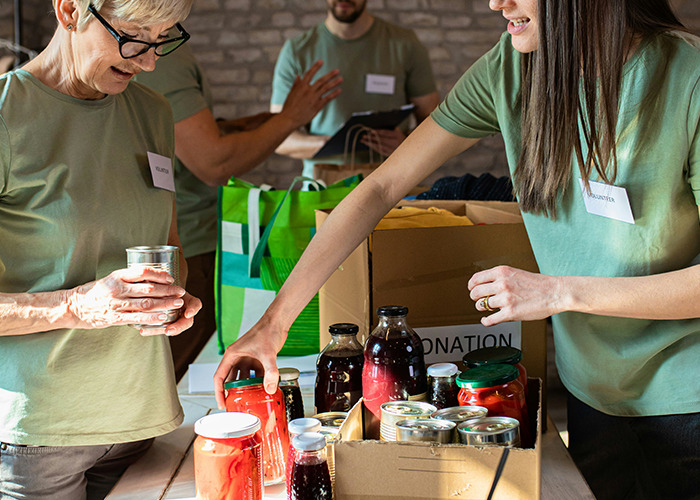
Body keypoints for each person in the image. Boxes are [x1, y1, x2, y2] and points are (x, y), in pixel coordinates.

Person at [214, 0, 700, 498]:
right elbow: (381, 189)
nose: (496, 2)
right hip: (590, 389)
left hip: (687, 395)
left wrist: (558, 293)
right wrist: (271, 327)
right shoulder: (511, 68)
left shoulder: (689, 77)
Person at [0, 0, 203, 497]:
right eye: (135, 35)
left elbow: (168, 245)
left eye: (163, 38)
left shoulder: (153, 112)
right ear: (70, 10)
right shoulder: (7, 118)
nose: (150, 60)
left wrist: (175, 297)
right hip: (41, 441)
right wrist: (79, 305)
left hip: (142, 420)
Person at [133, 44, 341, 381]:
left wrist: (250, 124)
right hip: (191, 245)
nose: (148, 58)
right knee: (177, 381)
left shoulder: (166, 46)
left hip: (192, 238)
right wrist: (290, 119)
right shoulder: (162, 53)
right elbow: (214, 163)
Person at [270, 0, 441, 179]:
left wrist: (407, 144)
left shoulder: (406, 44)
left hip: (394, 185)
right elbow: (279, 139)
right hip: (322, 187)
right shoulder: (297, 51)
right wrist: (334, 143)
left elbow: (434, 125)